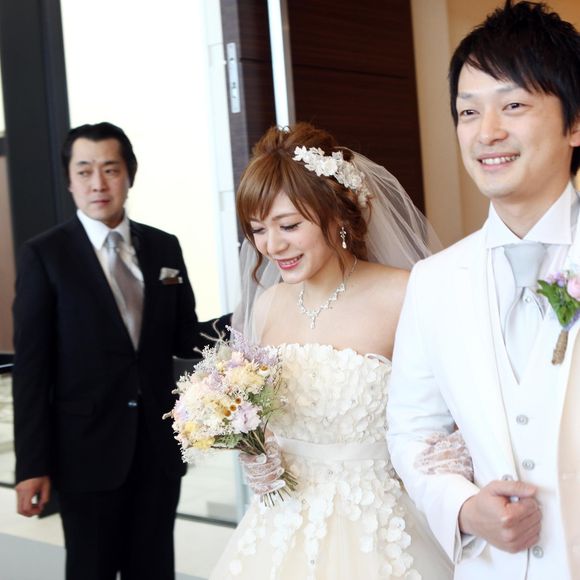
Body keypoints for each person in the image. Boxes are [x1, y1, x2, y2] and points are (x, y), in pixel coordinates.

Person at [210, 122, 462, 579]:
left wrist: (451, 458)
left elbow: (460, 410)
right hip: (281, 527)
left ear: (337, 214)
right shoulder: (267, 305)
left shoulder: (403, 294)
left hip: (383, 528)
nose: (272, 246)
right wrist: (258, 454)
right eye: (258, 230)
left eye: (289, 225)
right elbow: (259, 416)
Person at [387, 1, 580, 578]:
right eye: (468, 112)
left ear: (574, 123)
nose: (486, 132)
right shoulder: (434, 282)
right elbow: (413, 430)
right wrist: (465, 508)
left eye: (513, 105)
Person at [12, 121, 230, 580]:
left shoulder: (163, 246)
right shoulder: (45, 255)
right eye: (85, 171)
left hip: (156, 448)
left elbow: (184, 338)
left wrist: (250, 315)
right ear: (69, 180)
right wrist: (32, 466)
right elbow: (32, 370)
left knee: (154, 569)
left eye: (110, 169)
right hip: (84, 453)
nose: (98, 183)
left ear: (129, 174)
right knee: (90, 570)